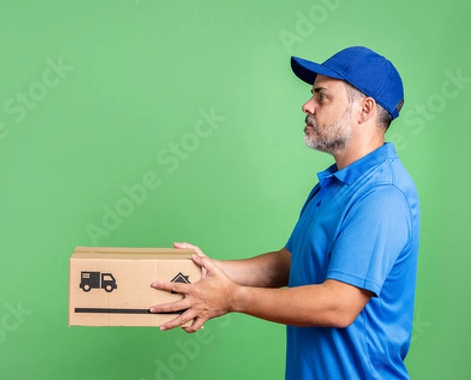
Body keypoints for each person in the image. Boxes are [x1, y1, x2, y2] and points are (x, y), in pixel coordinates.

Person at [149, 46, 420, 380]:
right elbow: (288, 264)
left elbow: (338, 304)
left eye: (322, 97)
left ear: (364, 110)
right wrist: (209, 270)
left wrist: (232, 298)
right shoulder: (333, 185)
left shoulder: (382, 195)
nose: (307, 106)